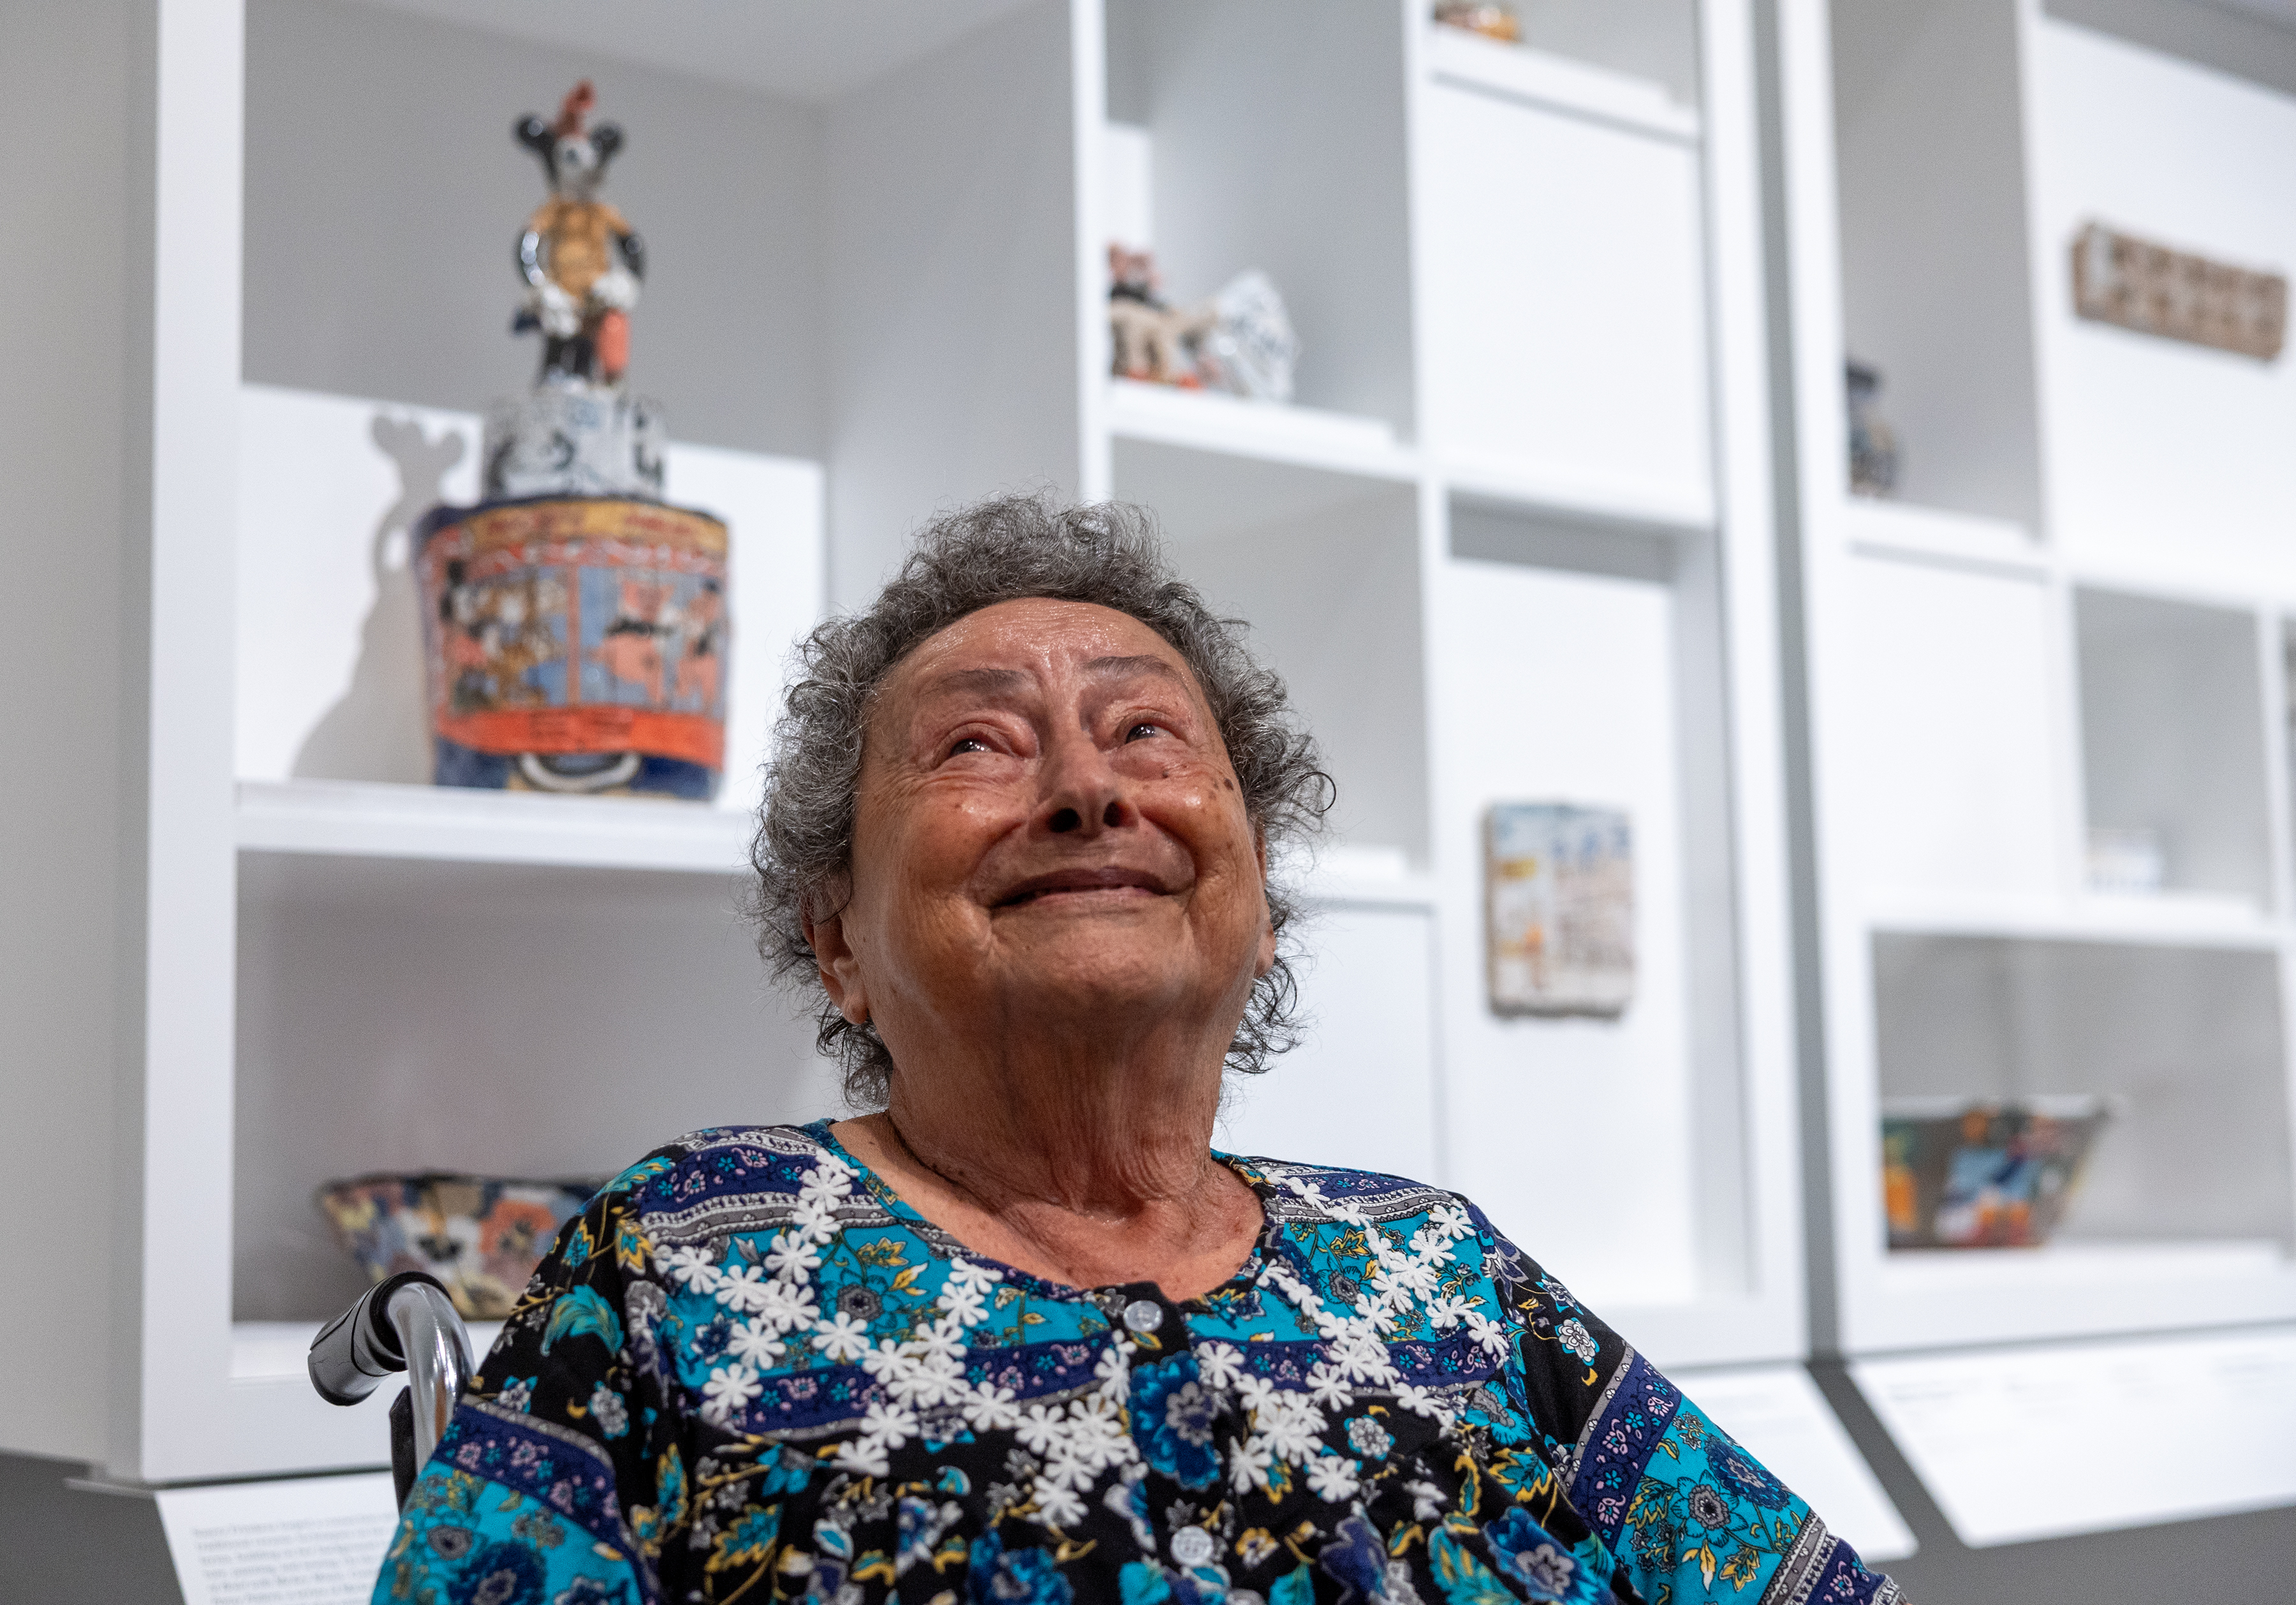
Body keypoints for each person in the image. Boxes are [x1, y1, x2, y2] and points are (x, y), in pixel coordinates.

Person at [371, 496, 1904, 1605]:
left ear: (1262, 903)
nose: (1086, 792)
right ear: (836, 938)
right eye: (976, 744)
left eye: (1149, 736)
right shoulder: (684, 1258)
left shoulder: (1438, 1266)